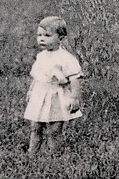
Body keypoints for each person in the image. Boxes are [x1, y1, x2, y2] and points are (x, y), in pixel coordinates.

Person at [23, 15, 84, 156]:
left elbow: (75, 78)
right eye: (39, 35)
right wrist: (31, 90)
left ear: (61, 38)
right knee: (35, 127)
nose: (42, 38)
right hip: (40, 94)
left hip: (56, 96)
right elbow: (38, 76)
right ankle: (32, 154)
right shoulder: (41, 56)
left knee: (54, 130)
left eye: (47, 35)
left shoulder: (66, 58)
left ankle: (55, 156)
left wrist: (75, 98)